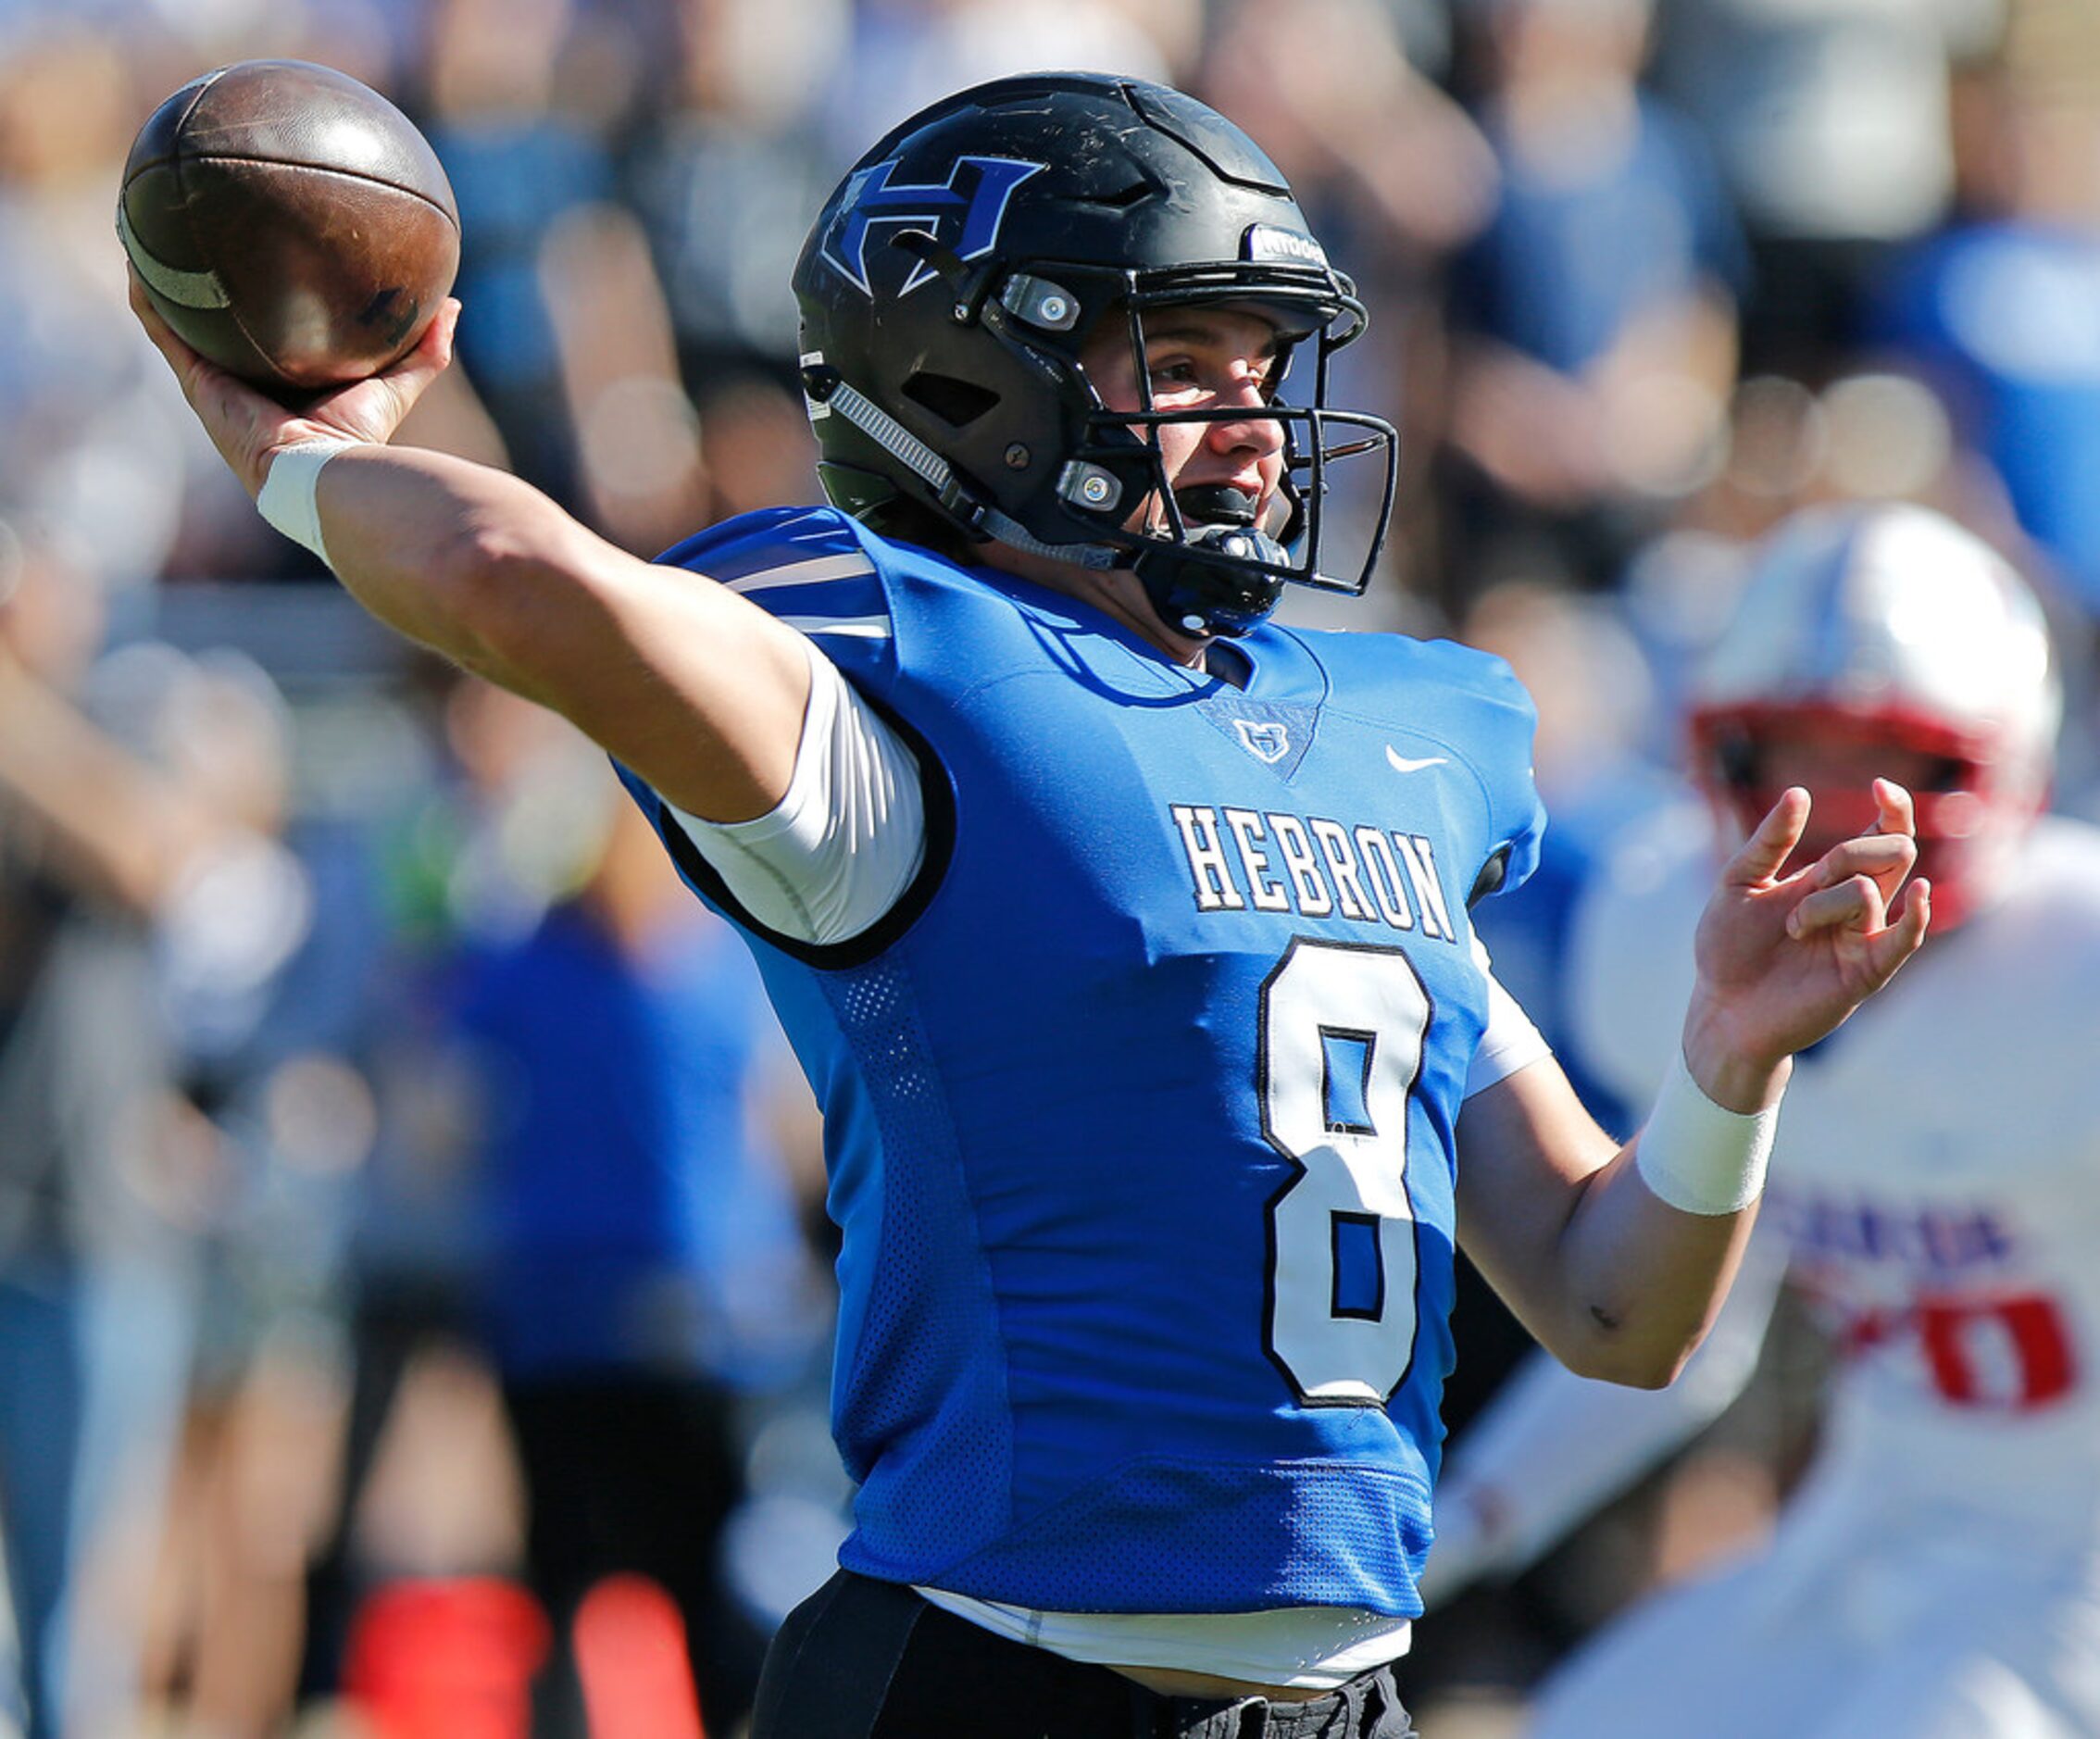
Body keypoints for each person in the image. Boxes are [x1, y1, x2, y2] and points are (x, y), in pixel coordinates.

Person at [130, 69, 1929, 1738]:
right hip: (994, 1684)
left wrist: (1727, 1073)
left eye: (1269, 361)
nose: (1268, 426)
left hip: (1335, 1701)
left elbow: (1621, 1310)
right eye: (1198, 360)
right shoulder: (898, 683)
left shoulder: (1389, 738)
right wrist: (303, 453)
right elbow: (517, 570)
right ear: (976, 380)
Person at [1425, 502, 2100, 1738]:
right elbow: (1683, 1339)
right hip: (1866, 1536)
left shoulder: (2075, 974)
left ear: (1999, 759)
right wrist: (1454, 1523)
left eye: (1887, 759)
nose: (1838, 811)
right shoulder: (1665, 926)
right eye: (1788, 753)